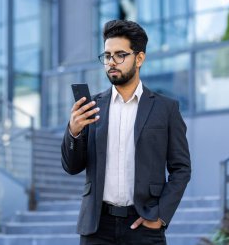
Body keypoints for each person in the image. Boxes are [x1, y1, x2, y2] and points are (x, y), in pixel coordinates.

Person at [61, 19, 191, 245]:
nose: (112, 62)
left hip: (143, 225)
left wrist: (160, 216)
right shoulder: (91, 107)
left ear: (139, 58)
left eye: (120, 55)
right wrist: (74, 131)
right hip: (96, 228)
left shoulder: (166, 109)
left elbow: (181, 168)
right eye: (107, 56)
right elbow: (71, 167)